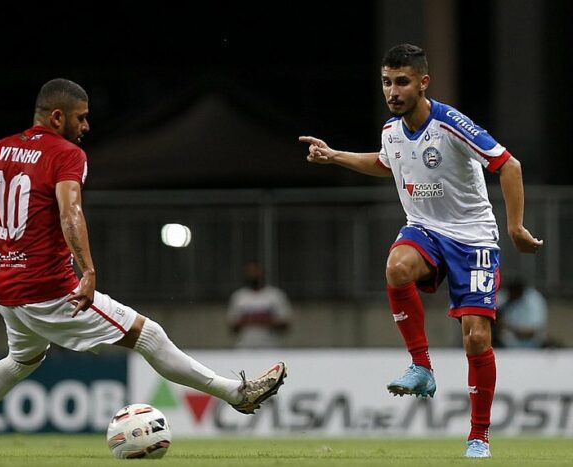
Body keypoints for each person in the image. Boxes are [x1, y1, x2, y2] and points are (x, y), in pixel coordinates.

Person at [0, 78, 287, 458]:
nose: (87, 126)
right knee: (149, 335)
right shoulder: (66, 155)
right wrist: (87, 271)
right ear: (57, 116)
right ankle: (236, 394)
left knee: (21, 360)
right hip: (49, 287)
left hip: (7, 288)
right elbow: (71, 212)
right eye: (81, 117)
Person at [298, 44, 542, 458]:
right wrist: (335, 155)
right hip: (426, 229)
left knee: (477, 340)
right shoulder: (391, 132)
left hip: (474, 239)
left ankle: (479, 436)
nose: (392, 91)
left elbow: (509, 165)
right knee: (396, 267)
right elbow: (386, 163)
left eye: (402, 82)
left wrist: (515, 226)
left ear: (423, 83)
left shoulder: (450, 124)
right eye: (387, 82)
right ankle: (422, 367)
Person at [227, 262, 292, 348]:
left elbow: (285, 324)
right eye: (251, 272)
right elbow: (232, 326)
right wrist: (250, 320)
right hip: (245, 347)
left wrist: (265, 320)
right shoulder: (239, 296)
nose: (254, 275)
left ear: (263, 274)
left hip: (272, 347)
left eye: (256, 272)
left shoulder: (275, 295)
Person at [496, 277, 548, 348]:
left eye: (514, 293)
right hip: (504, 345)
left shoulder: (534, 300)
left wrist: (508, 326)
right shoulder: (503, 296)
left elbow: (532, 332)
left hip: (533, 345)